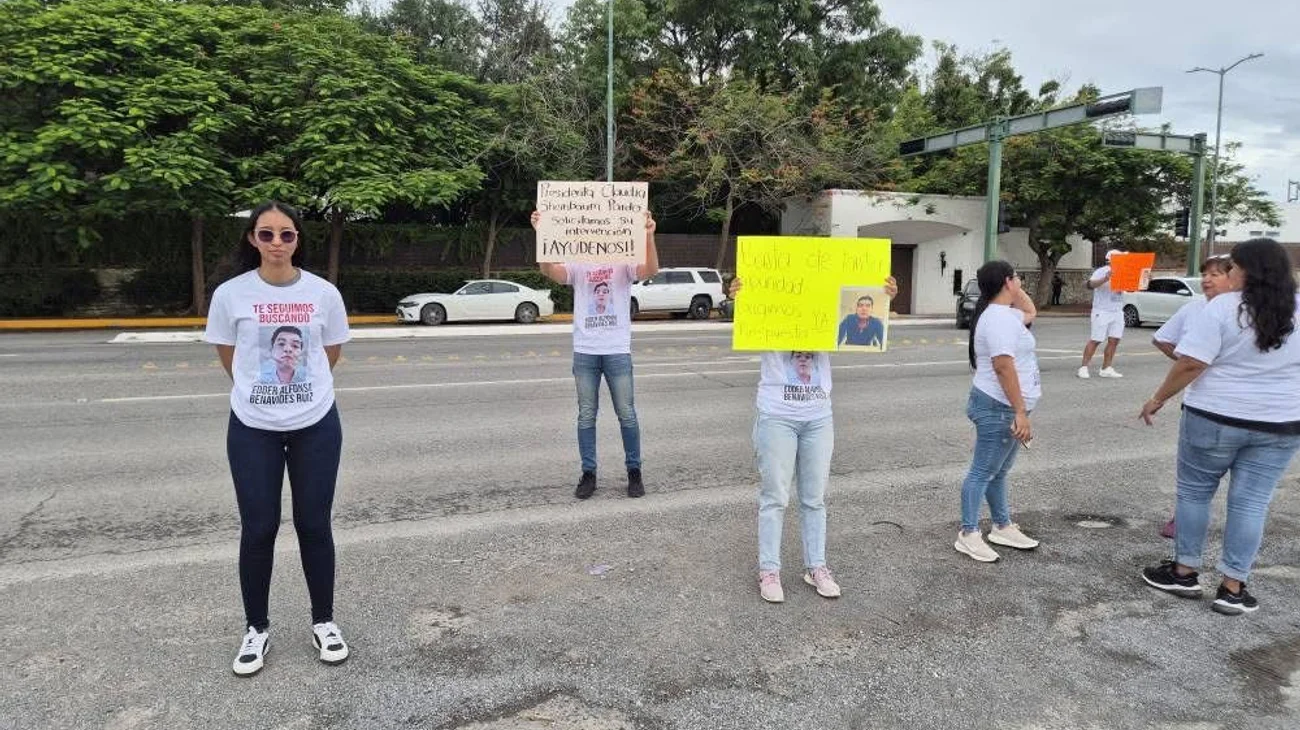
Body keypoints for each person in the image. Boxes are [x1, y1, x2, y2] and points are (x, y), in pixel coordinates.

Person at [205, 201, 352, 676]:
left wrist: (299, 397)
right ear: (252, 239)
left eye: (286, 235)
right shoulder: (231, 294)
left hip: (316, 425)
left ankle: (324, 622)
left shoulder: (323, 293)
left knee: (314, 526)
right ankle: (256, 629)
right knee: (259, 529)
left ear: (297, 240)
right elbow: (231, 358)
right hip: (252, 428)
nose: (276, 244)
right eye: (266, 235)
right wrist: (264, 398)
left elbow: (328, 353)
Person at [1138, 239, 1300, 616]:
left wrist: (1158, 397)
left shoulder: (1224, 308)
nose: (1228, 274)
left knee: (1194, 494)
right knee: (1251, 503)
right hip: (1280, 423)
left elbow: (1191, 362)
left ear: (1248, 271)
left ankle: (1184, 571)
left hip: (1214, 415)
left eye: (1232, 268)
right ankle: (1233, 587)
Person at [732, 275, 900, 603]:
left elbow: (861, 318)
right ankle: (769, 569)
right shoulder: (773, 307)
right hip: (777, 414)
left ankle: (816, 566)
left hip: (818, 416)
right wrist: (740, 297)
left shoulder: (827, 308)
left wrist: (886, 297)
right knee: (775, 496)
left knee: (815, 497)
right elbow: (749, 322)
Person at [532, 210, 660, 499]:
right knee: (586, 416)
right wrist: (542, 235)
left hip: (616, 350)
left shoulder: (623, 259)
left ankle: (634, 472)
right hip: (585, 351)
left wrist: (649, 236)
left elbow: (650, 270)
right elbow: (549, 271)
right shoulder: (579, 261)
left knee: (626, 414)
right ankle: (588, 473)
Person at [955, 262, 1041, 563]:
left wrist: (1014, 290)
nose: (1021, 283)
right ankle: (968, 533)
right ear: (1007, 281)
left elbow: (1031, 311)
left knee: (998, 471)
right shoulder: (998, 320)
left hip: (1005, 406)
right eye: (1017, 278)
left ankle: (1002, 526)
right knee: (982, 471)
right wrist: (1020, 411)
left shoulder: (1006, 315)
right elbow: (1003, 366)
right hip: (998, 406)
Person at [1149, 255, 1236, 538]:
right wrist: (1185, 361)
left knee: (1245, 492)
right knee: (1196, 479)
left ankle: (1188, 565)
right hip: (1204, 402)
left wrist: (1160, 396)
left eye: (1216, 274)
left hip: (1246, 410)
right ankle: (1182, 522)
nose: (1207, 280)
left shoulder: (1244, 309)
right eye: (1205, 274)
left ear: (1234, 276)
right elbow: (1163, 338)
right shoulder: (1195, 308)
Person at [1078, 249, 1126, 379]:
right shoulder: (1102, 271)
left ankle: (1106, 368)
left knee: (1114, 340)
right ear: (1110, 260)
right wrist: (1106, 278)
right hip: (1102, 310)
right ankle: (1083, 367)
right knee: (1096, 339)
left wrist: (1143, 279)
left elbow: (1131, 289)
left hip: (1117, 310)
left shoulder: (1124, 271)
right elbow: (1089, 285)